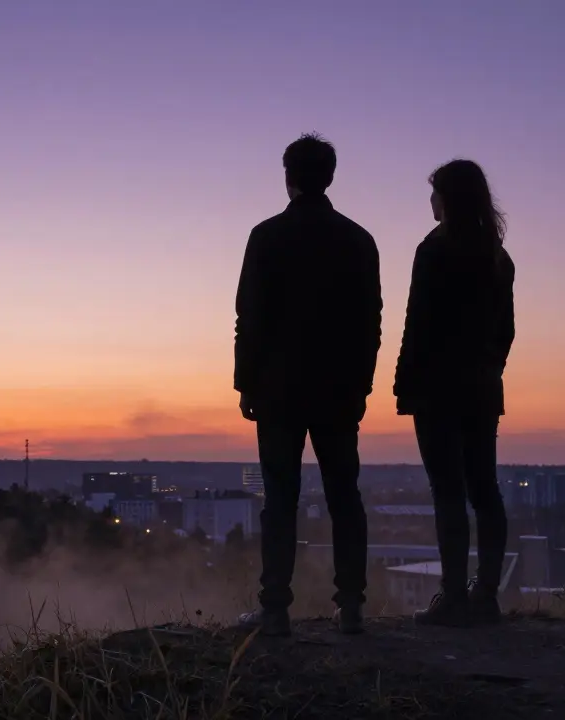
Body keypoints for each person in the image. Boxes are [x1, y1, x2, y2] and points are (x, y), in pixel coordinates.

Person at [234, 133, 382, 637]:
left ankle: (275, 609)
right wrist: (362, 385)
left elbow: (248, 318)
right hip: (339, 390)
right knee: (345, 495)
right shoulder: (358, 240)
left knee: (280, 499)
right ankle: (353, 607)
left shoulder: (267, 236)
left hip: (278, 389)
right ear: (331, 175)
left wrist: (246, 383)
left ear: (288, 176)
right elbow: (371, 322)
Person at [393, 159, 515, 627]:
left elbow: (417, 322)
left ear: (449, 199)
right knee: (484, 488)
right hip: (482, 390)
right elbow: (506, 332)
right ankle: (485, 595)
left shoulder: (434, 251)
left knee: (448, 490)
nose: (430, 201)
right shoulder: (497, 257)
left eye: (435, 193)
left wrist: (405, 383)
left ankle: (454, 598)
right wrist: (489, 371)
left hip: (438, 388)